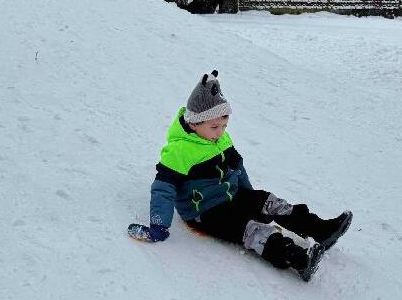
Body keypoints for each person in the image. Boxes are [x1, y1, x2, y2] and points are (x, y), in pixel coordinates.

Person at [146, 71, 352, 282]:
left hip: (232, 195)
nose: (220, 132)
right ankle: (297, 258)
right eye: (214, 127)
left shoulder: (220, 138)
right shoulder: (179, 151)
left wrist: (253, 200)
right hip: (206, 212)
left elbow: (237, 167)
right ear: (193, 123)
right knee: (251, 230)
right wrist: (159, 225)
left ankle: (321, 230)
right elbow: (163, 188)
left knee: (271, 202)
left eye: (224, 125)